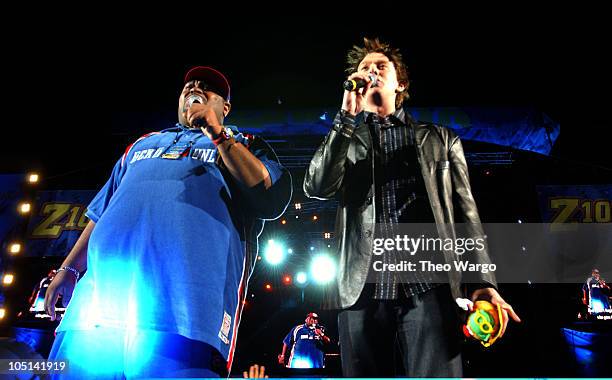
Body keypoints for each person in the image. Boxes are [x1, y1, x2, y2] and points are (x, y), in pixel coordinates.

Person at [43, 66, 292, 378]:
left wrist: (217, 134)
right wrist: (68, 269)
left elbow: (270, 196)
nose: (194, 88)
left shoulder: (243, 142)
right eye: (189, 85)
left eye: (207, 88)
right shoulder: (141, 144)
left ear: (224, 108)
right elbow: (100, 213)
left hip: (183, 306)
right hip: (99, 298)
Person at [303, 37, 520, 377]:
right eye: (364, 69)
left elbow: (467, 215)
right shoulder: (345, 138)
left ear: (399, 83)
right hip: (363, 290)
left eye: (380, 67)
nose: (370, 72)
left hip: (430, 287)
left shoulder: (440, 139)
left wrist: (483, 282)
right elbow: (317, 186)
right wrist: (346, 118)